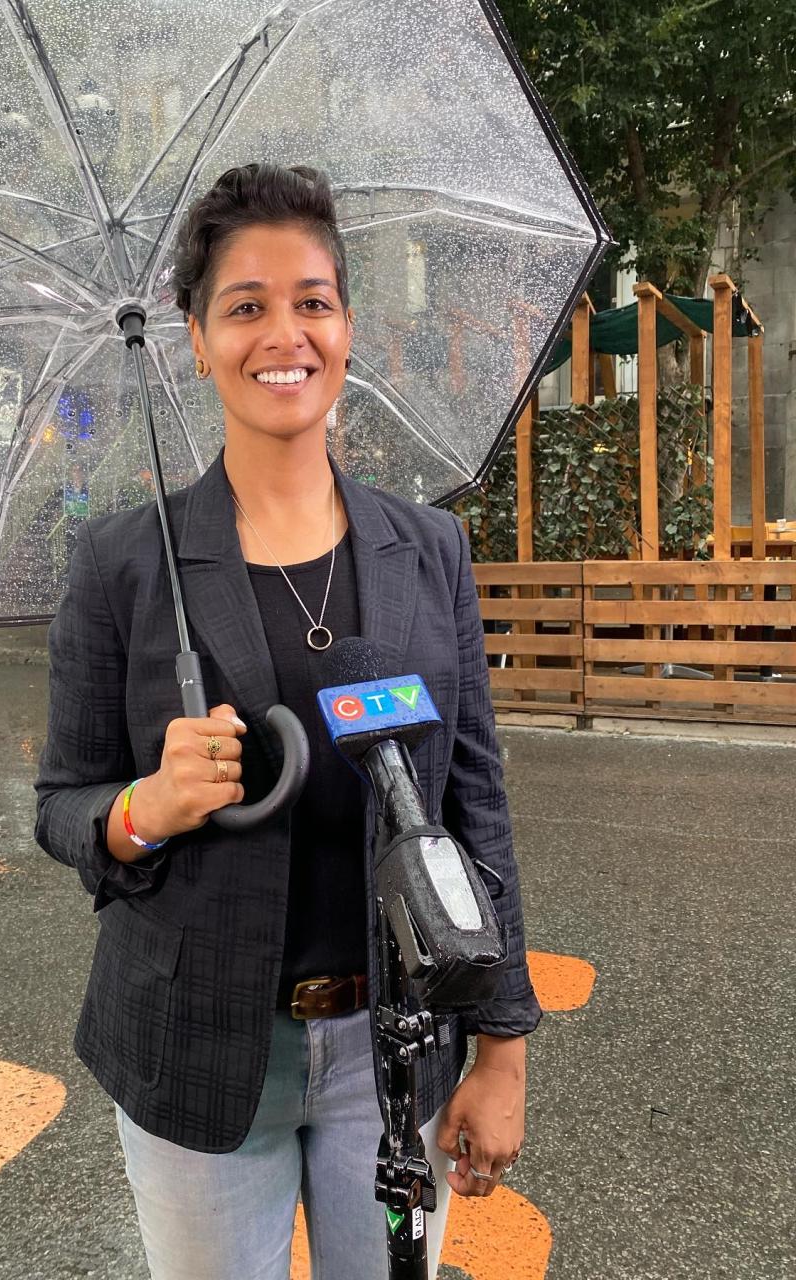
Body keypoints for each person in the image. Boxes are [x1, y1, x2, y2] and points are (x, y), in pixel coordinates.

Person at [34, 163, 542, 1280]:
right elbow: (61, 806)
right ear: (196, 334)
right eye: (246, 305)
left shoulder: (428, 548)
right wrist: (144, 806)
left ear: (346, 324)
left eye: (311, 300)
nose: (285, 333)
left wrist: (500, 1046)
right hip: (197, 1045)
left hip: (395, 1047)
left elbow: (474, 804)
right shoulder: (126, 562)